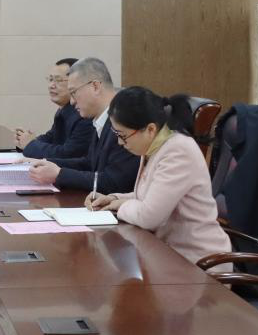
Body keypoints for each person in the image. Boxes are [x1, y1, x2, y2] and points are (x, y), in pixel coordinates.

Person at [86, 86, 231, 267]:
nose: (119, 142)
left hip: (199, 263)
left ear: (150, 129)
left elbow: (149, 217)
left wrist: (120, 207)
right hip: (168, 254)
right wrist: (113, 199)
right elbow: (147, 196)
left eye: (122, 135)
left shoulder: (177, 151)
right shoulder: (155, 145)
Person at [28, 57, 139, 193]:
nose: (72, 102)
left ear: (95, 86)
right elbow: (89, 163)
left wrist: (59, 174)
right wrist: (45, 162)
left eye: (74, 92)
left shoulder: (125, 118)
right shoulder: (101, 118)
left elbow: (114, 182)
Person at [14, 57, 95, 160]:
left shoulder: (84, 114)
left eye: (58, 80)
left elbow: (68, 154)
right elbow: (51, 137)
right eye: (51, 79)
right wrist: (25, 141)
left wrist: (31, 145)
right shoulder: (64, 110)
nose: (51, 86)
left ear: (75, 82)